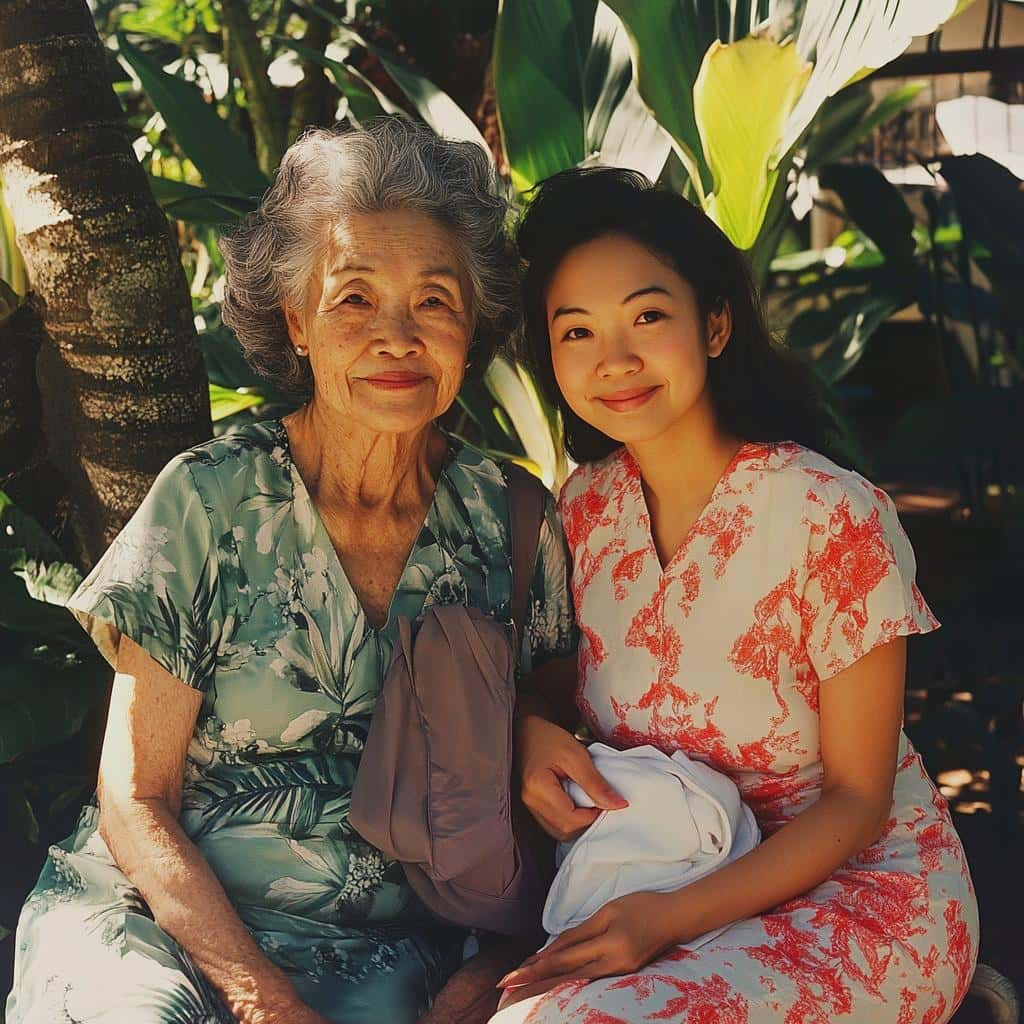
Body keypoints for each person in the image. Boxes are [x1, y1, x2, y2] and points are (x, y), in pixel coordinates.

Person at [6, 119, 576, 1024]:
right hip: (173, 924)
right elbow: (134, 796)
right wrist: (259, 998)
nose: (398, 337)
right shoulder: (212, 500)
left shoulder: (509, 519)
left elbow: (546, 797)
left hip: (415, 951)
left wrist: (491, 975)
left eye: (434, 300)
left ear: (472, 325)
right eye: (354, 299)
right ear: (297, 322)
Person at [497, 167, 978, 1023]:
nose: (615, 360)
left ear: (714, 324)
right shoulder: (581, 513)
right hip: (661, 869)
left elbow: (860, 800)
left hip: (856, 895)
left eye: (648, 316)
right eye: (577, 332)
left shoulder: (830, 514)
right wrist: (534, 734)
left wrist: (665, 921)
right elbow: (555, 689)